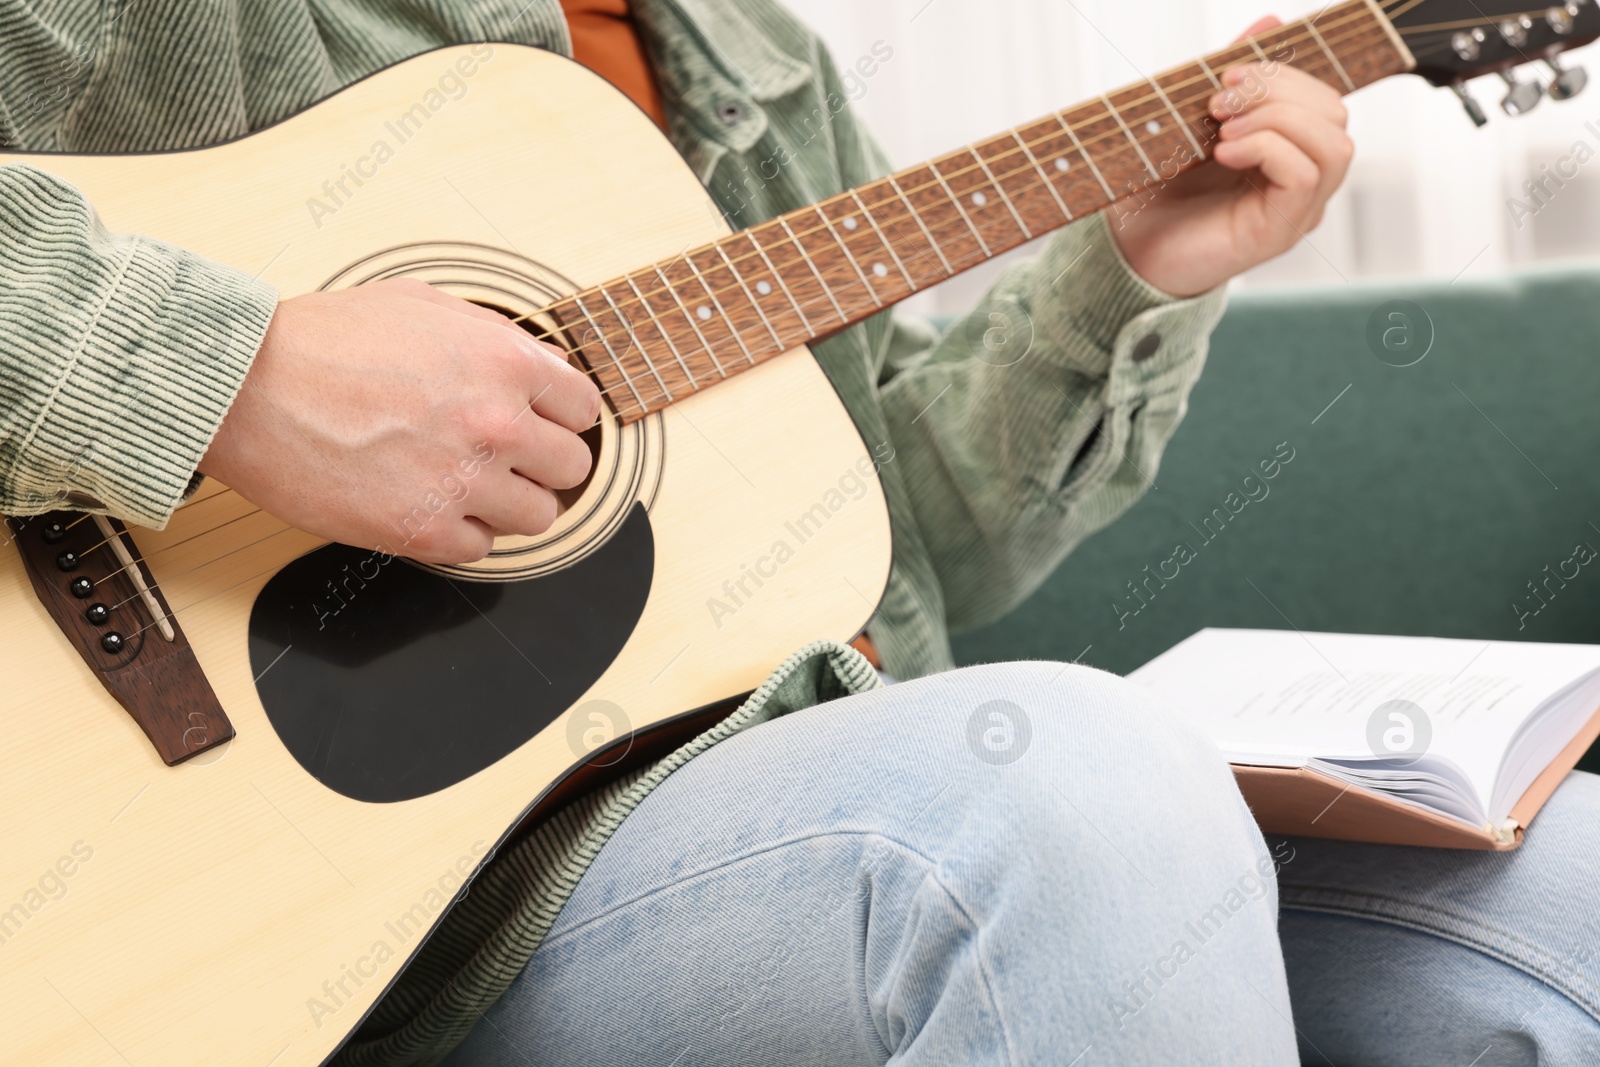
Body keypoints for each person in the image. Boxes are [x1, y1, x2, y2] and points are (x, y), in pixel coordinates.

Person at [2, 1, 1597, 1064]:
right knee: (1054, 789)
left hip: (772, 807)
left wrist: (1134, 276)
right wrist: (230, 376)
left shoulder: (733, 45)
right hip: (363, 920)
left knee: (1564, 885)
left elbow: (911, 553)